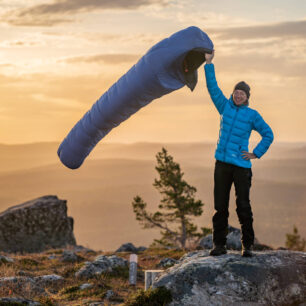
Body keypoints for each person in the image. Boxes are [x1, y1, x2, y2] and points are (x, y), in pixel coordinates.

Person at [204, 50, 274, 257]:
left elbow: (268, 134)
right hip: (222, 164)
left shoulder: (252, 115)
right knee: (220, 207)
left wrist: (255, 153)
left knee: (243, 206)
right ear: (233, 93)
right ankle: (219, 245)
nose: (238, 94)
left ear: (247, 97)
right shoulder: (224, 106)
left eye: (241, 93)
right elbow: (212, 87)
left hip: (242, 167)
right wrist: (209, 63)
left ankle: (248, 246)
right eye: (236, 91)